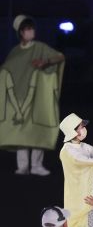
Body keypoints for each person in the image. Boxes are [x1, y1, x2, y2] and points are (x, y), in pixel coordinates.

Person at [0, 15, 65, 175]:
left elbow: (60, 57)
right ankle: (22, 166)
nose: (32, 31)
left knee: (37, 130)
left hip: (37, 96)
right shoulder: (15, 52)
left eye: (32, 28)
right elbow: (6, 72)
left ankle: (36, 166)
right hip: (17, 98)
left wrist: (45, 62)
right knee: (21, 131)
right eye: (28, 29)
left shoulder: (40, 47)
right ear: (21, 32)